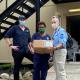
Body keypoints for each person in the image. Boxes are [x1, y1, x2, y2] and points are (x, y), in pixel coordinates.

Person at [4, 15, 33, 80]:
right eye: (21, 20)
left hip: (26, 50)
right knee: (17, 68)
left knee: (36, 60)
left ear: (25, 20)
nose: (22, 21)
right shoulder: (14, 28)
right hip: (17, 51)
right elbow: (6, 37)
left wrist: (31, 48)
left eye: (23, 20)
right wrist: (11, 45)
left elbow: (29, 40)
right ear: (19, 20)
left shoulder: (27, 29)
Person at [51, 16, 68, 80]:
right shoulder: (55, 32)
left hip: (60, 51)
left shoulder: (61, 31)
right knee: (56, 69)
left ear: (58, 23)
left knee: (60, 70)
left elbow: (62, 43)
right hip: (56, 51)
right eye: (52, 22)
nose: (53, 24)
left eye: (54, 22)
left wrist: (54, 48)